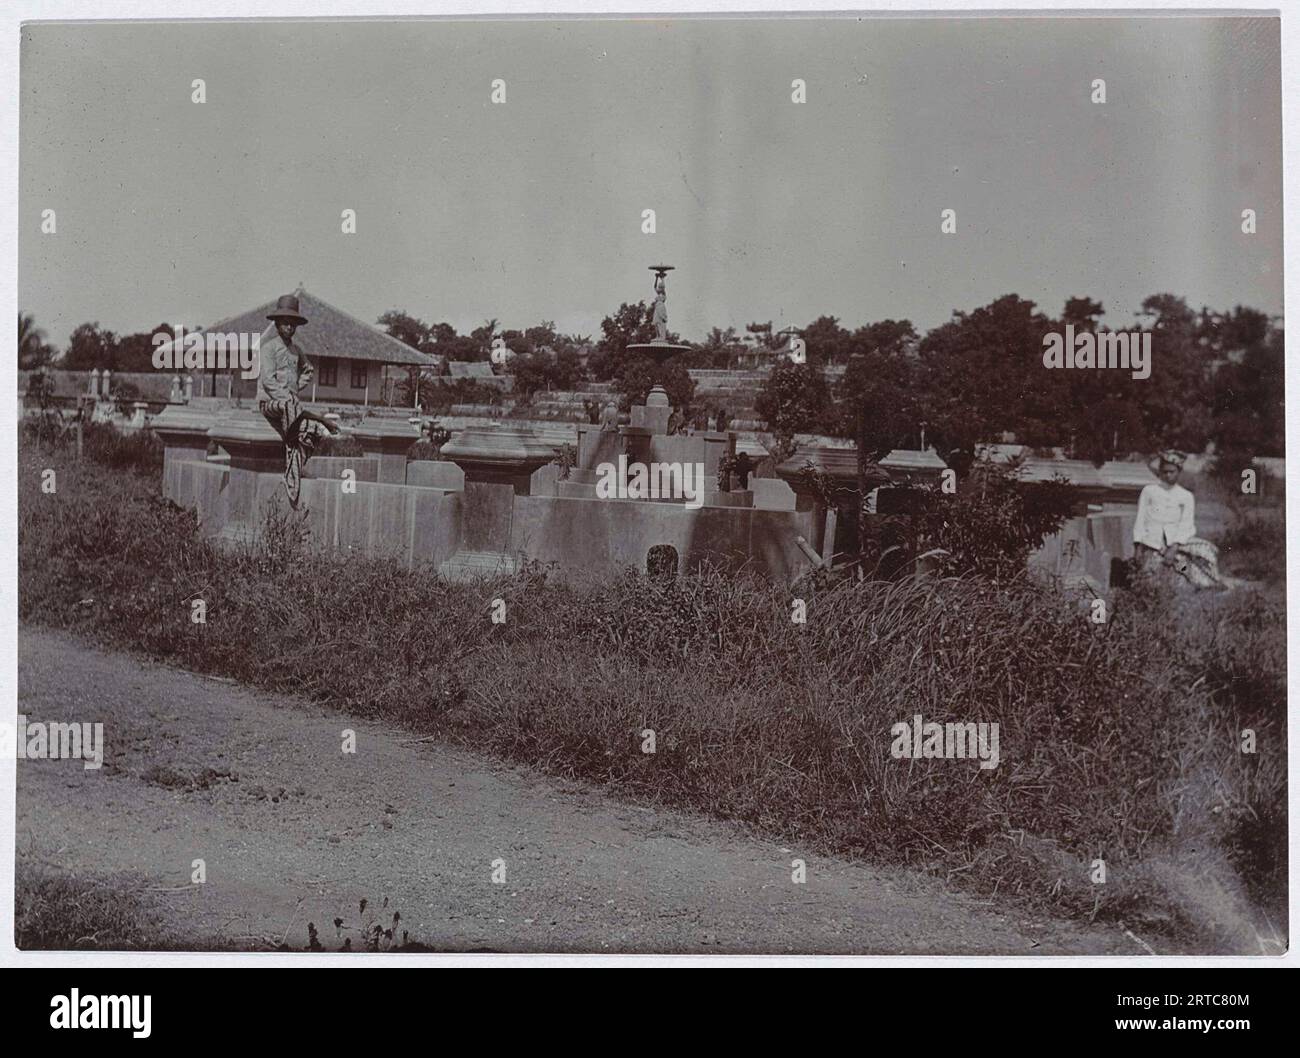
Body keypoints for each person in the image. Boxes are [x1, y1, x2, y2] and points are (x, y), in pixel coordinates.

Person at [257, 293, 339, 506]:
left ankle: (292, 477)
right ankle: (294, 437)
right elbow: (267, 380)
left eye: (293, 324)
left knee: (312, 429)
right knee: (291, 408)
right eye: (285, 324)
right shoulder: (268, 348)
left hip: (290, 405)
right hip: (271, 403)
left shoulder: (296, 350)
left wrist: (295, 388)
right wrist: (288, 396)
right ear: (277, 324)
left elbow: (308, 370)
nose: (289, 328)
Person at [1132, 450, 1229, 588]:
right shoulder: (1149, 491)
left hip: (1176, 544)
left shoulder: (1185, 496)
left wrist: (1174, 546)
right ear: (1160, 471)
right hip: (1151, 542)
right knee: (1148, 578)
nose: (1168, 475)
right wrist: (1137, 546)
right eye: (1165, 471)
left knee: (1195, 561)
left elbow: (1186, 524)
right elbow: (1140, 518)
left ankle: (1205, 584)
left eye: (1172, 471)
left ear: (1179, 472)